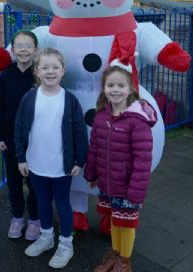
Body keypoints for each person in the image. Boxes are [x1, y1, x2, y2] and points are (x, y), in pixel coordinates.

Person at [14, 48, 88, 269]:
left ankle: (66, 244)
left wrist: (78, 161)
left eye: (55, 67)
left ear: (63, 70)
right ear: (37, 71)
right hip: (36, 164)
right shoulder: (29, 98)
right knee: (42, 202)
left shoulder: (70, 100)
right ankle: (46, 238)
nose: (50, 71)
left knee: (63, 204)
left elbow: (79, 132)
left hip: (61, 166)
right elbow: (19, 129)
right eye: (44, 67)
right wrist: (21, 158)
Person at [84, 65, 156, 272]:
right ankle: (115, 254)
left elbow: (143, 161)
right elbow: (95, 147)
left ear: (131, 88)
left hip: (127, 186)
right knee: (115, 220)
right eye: (110, 85)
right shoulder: (101, 117)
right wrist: (91, 173)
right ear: (104, 88)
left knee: (126, 224)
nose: (115, 89)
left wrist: (136, 191)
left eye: (121, 85)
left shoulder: (137, 121)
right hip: (107, 182)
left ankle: (124, 262)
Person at [0, 30, 40, 240]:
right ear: (12, 50)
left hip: (36, 140)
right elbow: (0, 106)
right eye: (19, 46)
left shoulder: (40, 75)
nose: (23, 50)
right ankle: (17, 217)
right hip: (11, 139)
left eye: (28, 46)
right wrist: (0, 136)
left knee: (34, 183)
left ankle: (34, 220)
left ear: (35, 50)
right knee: (14, 181)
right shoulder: (6, 75)